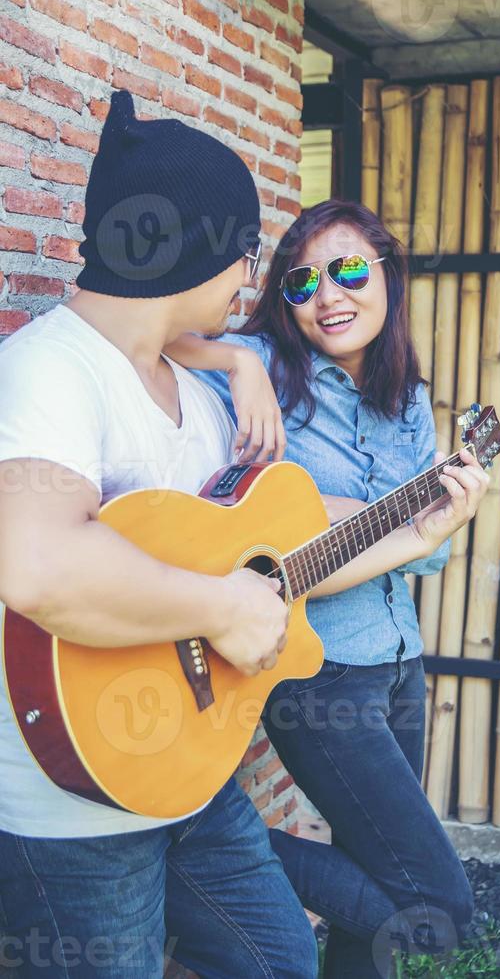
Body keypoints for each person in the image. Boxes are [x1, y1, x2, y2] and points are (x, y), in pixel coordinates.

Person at [0, 90, 318, 979]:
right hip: (75, 813)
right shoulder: (47, 373)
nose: (246, 286)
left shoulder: (201, 395)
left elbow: (236, 545)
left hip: (191, 778)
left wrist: (413, 519)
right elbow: (38, 563)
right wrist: (223, 606)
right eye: (245, 258)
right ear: (199, 249)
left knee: (279, 961)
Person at [165, 199, 490, 978]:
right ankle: (176, 855)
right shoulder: (264, 368)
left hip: (400, 661)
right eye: (303, 282)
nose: (328, 295)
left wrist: (423, 530)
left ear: (386, 275)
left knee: (373, 876)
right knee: (435, 909)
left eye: (348, 270)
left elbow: (426, 558)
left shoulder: (405, 397)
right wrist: (238, 363)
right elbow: (156, 337)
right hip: (317, 672)